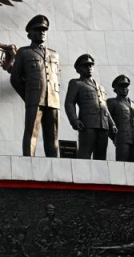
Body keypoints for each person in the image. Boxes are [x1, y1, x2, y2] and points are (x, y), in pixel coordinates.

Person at [9, 14, 60, 157]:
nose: (41, 32)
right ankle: (29, 161)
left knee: (53, 137)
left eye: (43, 30)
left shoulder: (54, 55)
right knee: (31, 133)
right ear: (29, 34)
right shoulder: (24, 53)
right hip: (34, 99)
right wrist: (28, 96)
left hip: (53, 100)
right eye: (37, 30)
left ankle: (54, 163)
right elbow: (15, 79)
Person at [64, 54, 115, 160]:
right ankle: (81, 175)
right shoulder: (76, 83)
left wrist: (112, 124)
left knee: (101, 156)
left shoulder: (100, 87)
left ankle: (101, 176)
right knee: (84, 154)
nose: (89, 68)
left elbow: (105, 108)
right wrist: (74, 120)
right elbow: (69, 103)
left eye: (91, 65)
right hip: (88, 124)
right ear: (78, 69)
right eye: (85, 66)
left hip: (103, 125)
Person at [107, 74, 134, 162]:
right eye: (121, 86)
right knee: (122, 165)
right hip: (122, 139)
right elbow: (106, 121)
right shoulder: (112, 102)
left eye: (126, 86)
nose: (124, 88)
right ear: (115, 89)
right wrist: (116, 137)